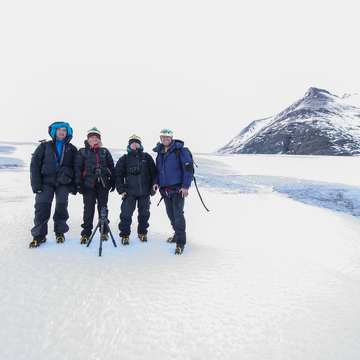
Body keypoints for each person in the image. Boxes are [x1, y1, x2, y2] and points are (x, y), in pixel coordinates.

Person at [29, 122, 77, 248]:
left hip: (63, 182)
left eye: (64, 130)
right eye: (59, 130)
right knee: (42, 208)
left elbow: (76, 168)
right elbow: (35, 166)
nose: (61, 132)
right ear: (54, 132)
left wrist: (73, 186)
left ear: (68, 133)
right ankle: (39, 235)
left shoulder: (71, 149)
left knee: (61, 207)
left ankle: (60, 232)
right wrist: (36, 185)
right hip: (45, 182)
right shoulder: (44, 146)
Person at [152, 129, 193, 255]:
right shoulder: (160, 153)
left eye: (167, 137)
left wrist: (185, 186)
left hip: (178, 189)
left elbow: (188, 168)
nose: (165, 139)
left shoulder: (180, 150)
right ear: (161, 139)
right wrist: (155, 182)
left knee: (178, 216)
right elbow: (158, 171)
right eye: (163, 137)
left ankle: (180, 242)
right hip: (165, 191)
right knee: (171, 215)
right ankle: (176, 234)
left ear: (171, 138)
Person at [74, 127, 115, 244]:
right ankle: (86, 233)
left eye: (96, 137)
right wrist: (78, 183)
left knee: (103, 208)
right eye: (92, 137)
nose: (94, 139)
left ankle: (104, 231)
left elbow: (111, 167)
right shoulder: (82, 151)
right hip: (88, 184)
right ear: (88, 139)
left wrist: (112, 181)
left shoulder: (105, 151)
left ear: (99, 139)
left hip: (103, 184)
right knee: (88, 209)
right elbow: (77, 168)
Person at [115, 135, 156, 245]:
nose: (134, 144)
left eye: (136, 142)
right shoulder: (124, 159)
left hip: (145, 193)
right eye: (132, 142)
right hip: (129, 193)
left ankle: (142, 233)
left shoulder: (147, 157)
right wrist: (121, 190)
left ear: (140, 144)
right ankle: (125, 235)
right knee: (126, 215)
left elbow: (154, 173)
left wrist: (154, 187)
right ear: (129, 145)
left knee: (144, 215)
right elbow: (117, 175)